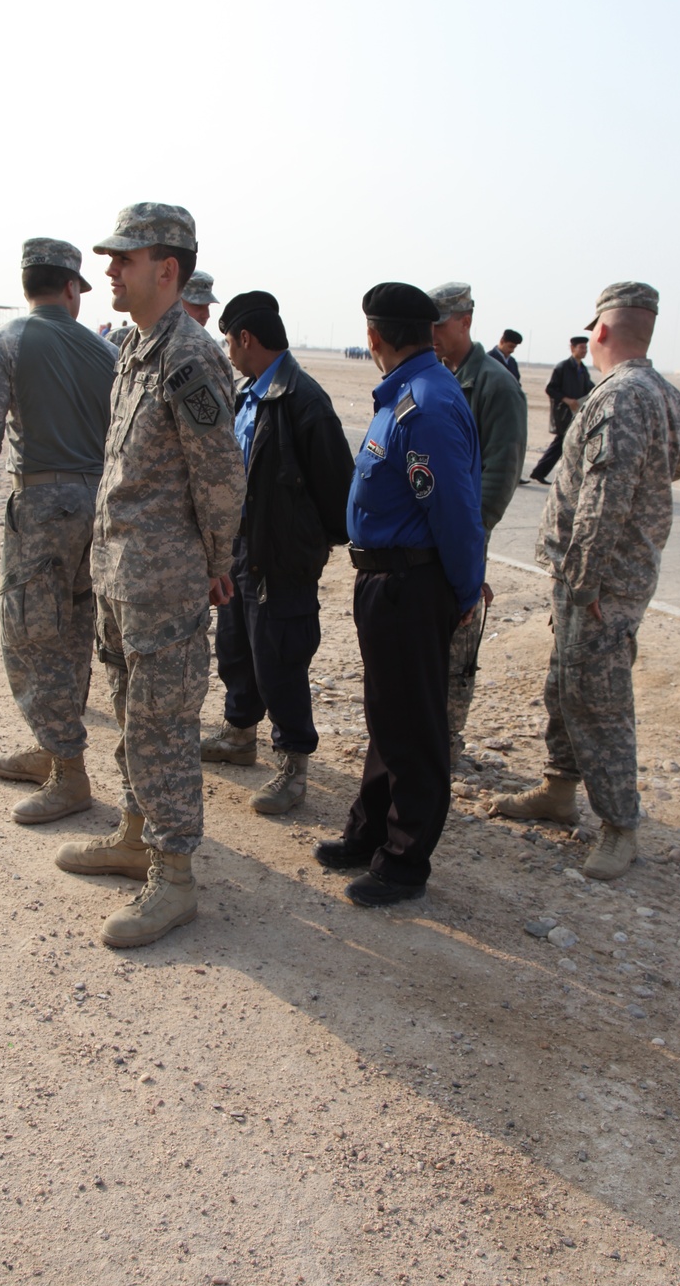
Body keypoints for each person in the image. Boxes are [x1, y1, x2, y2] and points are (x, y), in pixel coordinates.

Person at [53, 203, 246, 947]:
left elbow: (222, 477)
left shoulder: (190, 357)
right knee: (132, 713)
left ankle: (175, 877)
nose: (108, 270)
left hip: (165, 581)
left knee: (163, 727)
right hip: (122, 572)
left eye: (123, 260)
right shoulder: (136, 348)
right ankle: (135, 834)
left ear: (167, 270)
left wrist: (219, 563)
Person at [491, 283, 680, 880]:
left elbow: (602, 502)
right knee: (565, 684)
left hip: (602, 584)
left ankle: (619, 826)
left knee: (599, 701)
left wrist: (584, 587)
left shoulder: (622, 396)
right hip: (605, 577)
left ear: (601, 331)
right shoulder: (660, 390)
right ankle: (559, 790)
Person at [314, 283, 484, 907]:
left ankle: (406, 861)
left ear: (374, 336)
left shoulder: (426, 405)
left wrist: (465, 589)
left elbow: (456, 512)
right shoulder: (405, 396)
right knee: (388, 716)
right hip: (385, 581)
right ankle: (370, 834)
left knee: (413, 725)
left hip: (413, 583)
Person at [0, 238, 116, 823]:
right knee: (73, 630)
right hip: (99, 507)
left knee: (31, 637)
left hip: (45, 507)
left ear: (27, 285)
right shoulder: (104, 351)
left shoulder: (4, 341)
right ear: (70, 288)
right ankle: (55, 750)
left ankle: (68, 772)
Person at [200, 291, 354, 812]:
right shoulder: (250, 392)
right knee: (237, 649)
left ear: (247, 338)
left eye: (229, 341)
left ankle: (292, 765)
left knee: (280, 661)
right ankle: (239, 735)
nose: (227, 352)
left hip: (282, 559)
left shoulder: (303, 401)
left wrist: (303, 549)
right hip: (243, 549)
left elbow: (338, 494)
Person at [429, 283, 527, 761]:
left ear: (465, 321)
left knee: (457, 641)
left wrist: (471, 539)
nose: (432, 334)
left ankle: (446, 742)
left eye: (440, 324)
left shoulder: (493, 384)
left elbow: (500, 472)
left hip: (463, 538)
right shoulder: (438, 374)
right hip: (431, 537)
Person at [529, 336, 594, 483]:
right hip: (563, 413)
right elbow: (550, 388)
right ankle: (540, 472)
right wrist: (566, 399)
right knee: (561, 443)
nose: (584, 351)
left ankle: (541, 472)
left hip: (576, 412)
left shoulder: (582, 369)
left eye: (586, 348)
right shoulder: (562, 367)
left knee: (566, 443)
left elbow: (589, 388)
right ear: (572, 348)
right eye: (581, 348)